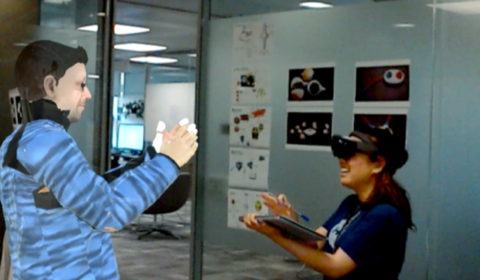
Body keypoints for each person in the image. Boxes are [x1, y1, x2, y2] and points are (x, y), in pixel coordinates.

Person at [0, 40, 198, 280]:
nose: (88, 93)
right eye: (80, 85)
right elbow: (108, 211)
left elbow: (90, 191)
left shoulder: (15, 142)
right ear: (51, 86)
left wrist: (151, 157)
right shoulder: (50, 143)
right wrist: (169, 162)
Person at [242, 126, 414, 280]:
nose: (341, 160)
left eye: (350, 153)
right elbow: (315, 243)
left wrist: (274, 235)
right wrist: (288, 219)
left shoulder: (384, 214)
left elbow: (335, 267)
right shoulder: (351, 204)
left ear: (378, 164)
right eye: (340, 154)